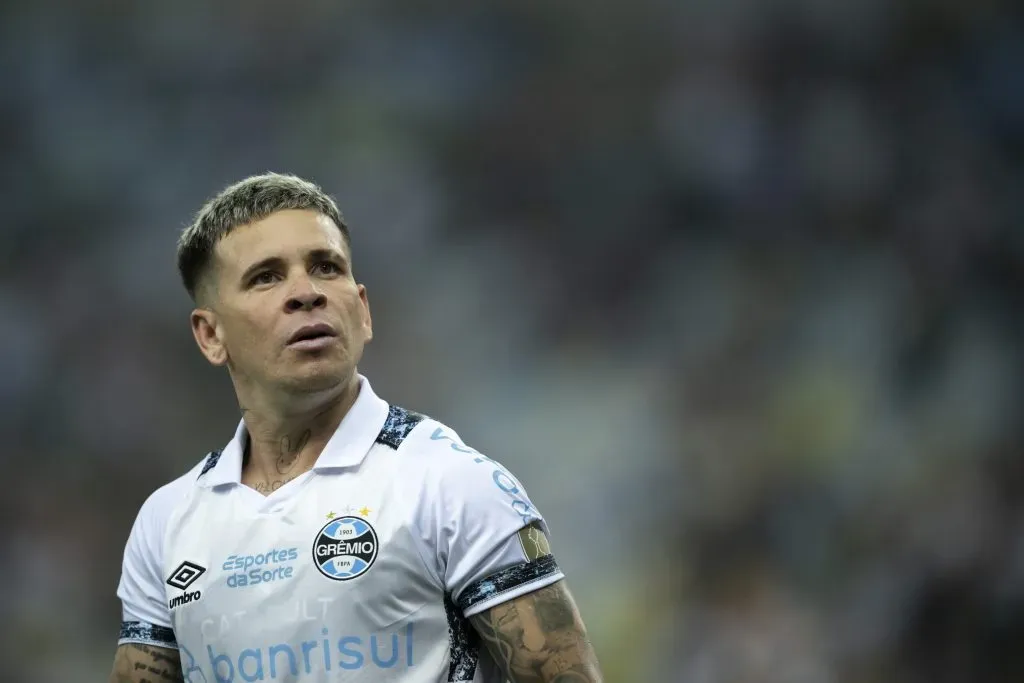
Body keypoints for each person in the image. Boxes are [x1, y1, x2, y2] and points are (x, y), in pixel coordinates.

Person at [109, 173, 604, 683]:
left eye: (326, 267)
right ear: (211, 335)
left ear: (362, 310)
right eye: (266, 277)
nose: (306, 292)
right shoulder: (166, 523)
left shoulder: (450, 485)